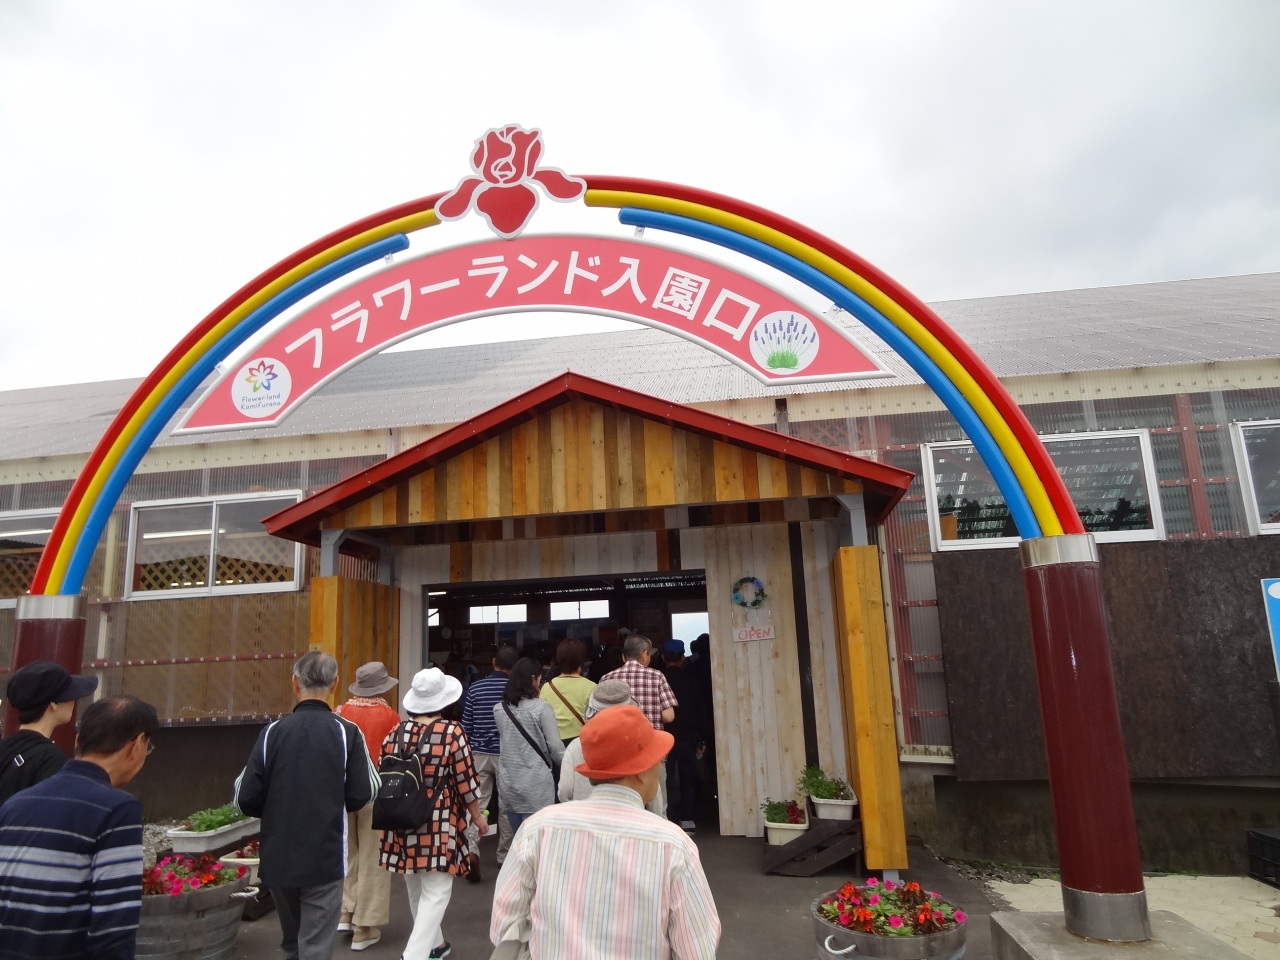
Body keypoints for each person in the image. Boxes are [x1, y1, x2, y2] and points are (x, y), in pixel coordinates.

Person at [490, 704, 721, 960]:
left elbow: (504, 926)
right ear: (641, 772)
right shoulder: (674, 845)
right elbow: (696, 950)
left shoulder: (538, 829)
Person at [234, 652, 379, 960]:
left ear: (294, 683)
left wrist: (278, 809)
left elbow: (246, 797)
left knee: (292, 944)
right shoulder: (346, 732)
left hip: (278, 856)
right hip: (325, 856)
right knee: (315, 947)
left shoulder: (271, 732)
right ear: (335, 684)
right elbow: (361, 795)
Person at [0, 695, 157, 960]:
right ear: (137, 744)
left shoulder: (15, 804)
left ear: (77, 741)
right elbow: (113, 932)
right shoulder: (117, 810)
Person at [380, 668, 488, 960]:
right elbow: (466, 781)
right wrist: (477, 817)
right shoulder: (452, 732)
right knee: (437, 890)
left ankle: (435, 945)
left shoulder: (395, 732)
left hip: (400, 818)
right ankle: (413, 955)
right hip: (438, 819)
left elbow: (382, 772)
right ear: (444, 701)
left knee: (416, 886)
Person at [333, 662, 402, 950]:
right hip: (377, 793)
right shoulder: (390, 716)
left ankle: (346, 911)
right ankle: (365, 926)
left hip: (343, 792)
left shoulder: (340, 713)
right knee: (375, 857)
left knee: (350, 853)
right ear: (382, 688)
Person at [557, 679, 662, 816]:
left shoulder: (576, 746)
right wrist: (657, 821)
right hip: (633, 820)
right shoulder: (639, 744)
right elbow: (654, 795)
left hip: (584, 818)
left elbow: (564, 791)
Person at [0, 660, 99, 804]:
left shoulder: (4, 747)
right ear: (53, 704)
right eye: (70, 694)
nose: (74, 701)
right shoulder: (52, 760)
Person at [601, 633, 677, 815]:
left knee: (623, 806)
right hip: (652, 751)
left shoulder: (607, 679)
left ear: (623, 657)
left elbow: (600, 717)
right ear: (644, 654)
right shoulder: (657, 677)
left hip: (619, 754)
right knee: (657, 806)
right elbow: (668, 716)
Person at [460, 645, 517, 875]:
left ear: (494, 662)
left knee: (477, 804)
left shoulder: (475, 688)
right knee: (506, 806)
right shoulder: (515, 690)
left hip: (479, 754)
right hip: (507, 754)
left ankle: (472, 849)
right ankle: (504, 856)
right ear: (514, 667)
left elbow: (466, 725)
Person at [493, 657, 564, 836]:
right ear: (533, 678)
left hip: (510, 783)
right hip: (537, 784)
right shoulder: (542, 708)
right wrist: (569, 765)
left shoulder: (500, 709)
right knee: (538, 842)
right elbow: (555, 747)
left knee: (518, 840)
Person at [660, 640, 708, 834]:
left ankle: (667, 816)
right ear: (682, 658)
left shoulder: (659, 680)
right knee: (688, 778)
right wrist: (702, 738)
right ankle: (687, 819)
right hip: (688, 737)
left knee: (666, 779)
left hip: (663, 737)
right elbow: (700, 711)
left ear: (662, 657)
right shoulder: (691, 680)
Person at [539, 639, 595, 745]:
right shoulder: (592, 687)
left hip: (555, 744)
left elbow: (542, 720)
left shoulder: (547, 687)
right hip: (582, 742)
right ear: (582, 660)